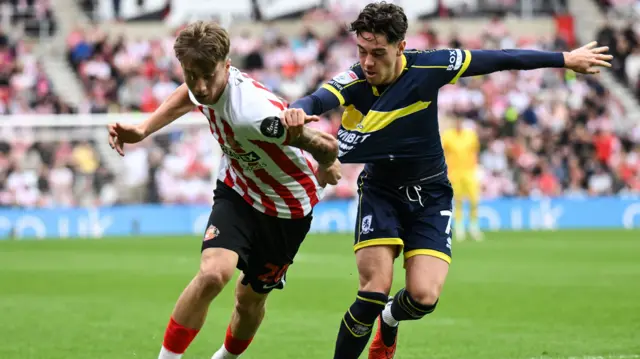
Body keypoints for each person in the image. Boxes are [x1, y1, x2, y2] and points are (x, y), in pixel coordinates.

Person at [283, 2, 613, 358]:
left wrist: (564, 59)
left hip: (431, 194)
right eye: (362, 52)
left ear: (401, 48)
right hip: (380, 191)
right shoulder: (354, 80)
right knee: (372, 292)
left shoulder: (430, 66)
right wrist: (298, 111)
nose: (367, 62)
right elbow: (318, 98)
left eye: (378, 53)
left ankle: (390, 322)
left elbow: (501, 58)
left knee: (423, 297)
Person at [106, 21, 341, 359]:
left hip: (287, 208)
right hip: (239, 191)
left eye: (207, 76)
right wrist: (143, 128)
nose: (200, 86)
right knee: (214, 274)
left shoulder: (255, 112)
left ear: (227, 67)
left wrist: (326, 161)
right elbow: (187, 97)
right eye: (191, 75)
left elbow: (324, 144)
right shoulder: (200, 83)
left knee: (249, 303)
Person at [441, 117, 483, 241]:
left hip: (469, 171)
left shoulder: (471, 136)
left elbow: (475, 152)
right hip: (454, 172)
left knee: (474, 199)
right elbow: (442, 152)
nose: (458, 123)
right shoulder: (448, 135)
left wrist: (476, 168)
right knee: (457, 200)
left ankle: (473, 225)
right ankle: (459, 226)